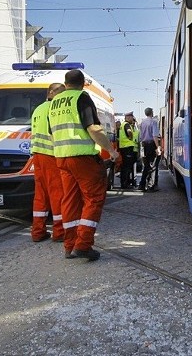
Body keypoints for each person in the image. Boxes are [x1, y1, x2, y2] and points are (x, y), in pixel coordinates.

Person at [48, 69, 119, 261]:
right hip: (82, 158)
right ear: (82, 84)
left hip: (62, 158)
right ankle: (83, 245)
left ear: (66, 82)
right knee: (94, 198)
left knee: (70, 201)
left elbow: (51, 132)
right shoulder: (82, 97)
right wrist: (111, 151)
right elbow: (93, 129)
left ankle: (69, 246)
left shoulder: (54, 103)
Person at [30, 82, 66, 243]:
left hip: (37, 155)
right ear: (51, 93)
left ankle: (38, 231)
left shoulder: (38, 109)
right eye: (60, 93)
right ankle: (59, 232)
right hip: (51, 155)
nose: (62, 97)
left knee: (40, 195)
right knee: (57, 193)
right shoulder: (54, 109)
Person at [138, 107, 160, 191]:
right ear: (151, 113)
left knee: (146, 165)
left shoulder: (142, 123)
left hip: (143, 145)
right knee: (153, 166)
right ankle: (151, 185)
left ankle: (142, 185)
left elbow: (140, 136)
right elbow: (155, 136)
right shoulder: (153, 122)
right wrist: (157, 147)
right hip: (151, 145)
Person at [118, 111, 137, 189]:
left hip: (124, 148)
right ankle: (125, 184)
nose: (132, 119)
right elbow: (129, 132)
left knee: (125, 167)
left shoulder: (123, 125)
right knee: (127, 167)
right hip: (127, 148)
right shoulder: (126, 125)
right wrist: (130, 137)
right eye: (131, 117)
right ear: (128, 117)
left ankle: (124, 183)